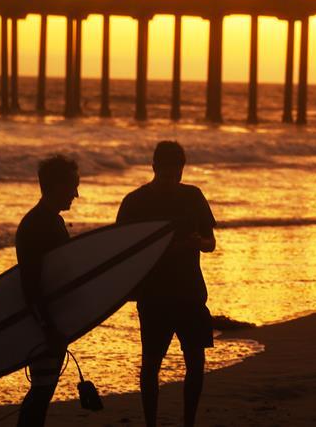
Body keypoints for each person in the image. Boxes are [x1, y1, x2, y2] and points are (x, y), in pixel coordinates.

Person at [116, 141, 217, 427]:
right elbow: (122, 251)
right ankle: (150, 423)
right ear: (154, 168)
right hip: (153, 295)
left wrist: (199, 243)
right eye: (168, 172)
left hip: (190, 292)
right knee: (151, 363)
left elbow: (211, 243)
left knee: (195, 362)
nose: (174, 178)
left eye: (178, 172)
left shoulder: (193, 196)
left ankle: (189, 422)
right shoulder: (135, 202)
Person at [15, 155, 80, 426]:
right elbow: (31, 284)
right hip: (43, 322)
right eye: (72, 187)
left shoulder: (51, 220)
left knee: (44, 388)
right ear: (55, 186)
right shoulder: (36, 225)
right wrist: (47, 327)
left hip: (52, 318)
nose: (76, 194)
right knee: (41, 390)